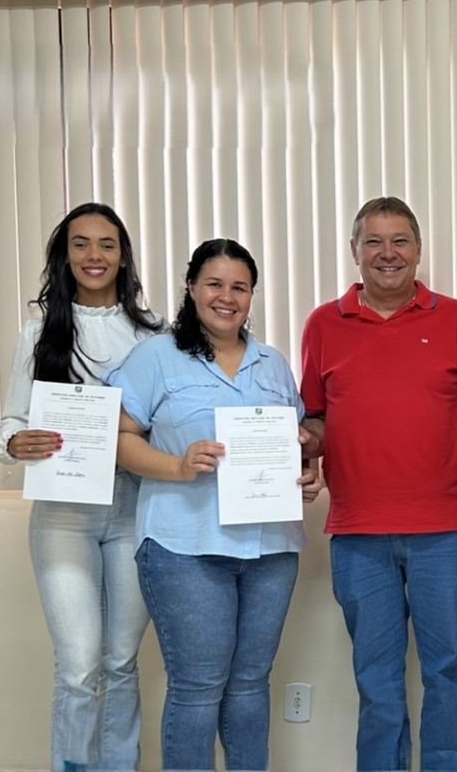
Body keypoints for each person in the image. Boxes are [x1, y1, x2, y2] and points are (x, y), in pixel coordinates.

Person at [108, 238, 321, 771]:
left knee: (251, 686)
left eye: (239, 287)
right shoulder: (157, 357)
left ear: (251, 296)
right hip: (185, 546)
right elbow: (118, 437)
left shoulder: (272, 364)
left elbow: (294, 440)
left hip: (270, 548)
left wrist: (305, 471)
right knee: (199, 687)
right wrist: (177, 465)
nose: (227, 297)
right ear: (191, 288)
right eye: (214, 284)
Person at [299, 197, 457, 772]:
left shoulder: (456, 318)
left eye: (400, 240)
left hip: (447, 529)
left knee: (447, 670)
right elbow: (314, 418)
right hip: (359, 534)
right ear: (355, 251)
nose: (388, 254)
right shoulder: (322, 325)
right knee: (376, 680)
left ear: (418, 248)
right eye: (375, 242)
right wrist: (295, 446)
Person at [0, 202, 162, 772]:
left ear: (123, 255)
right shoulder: (40, 329)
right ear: (65, 255)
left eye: (107, 244)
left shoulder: (155, 332)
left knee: (119, 659)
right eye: (82, 244)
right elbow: (11, 422)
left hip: (136, 507)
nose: (95, 256)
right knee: (79, 662)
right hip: (64, 513)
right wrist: (17, 444)